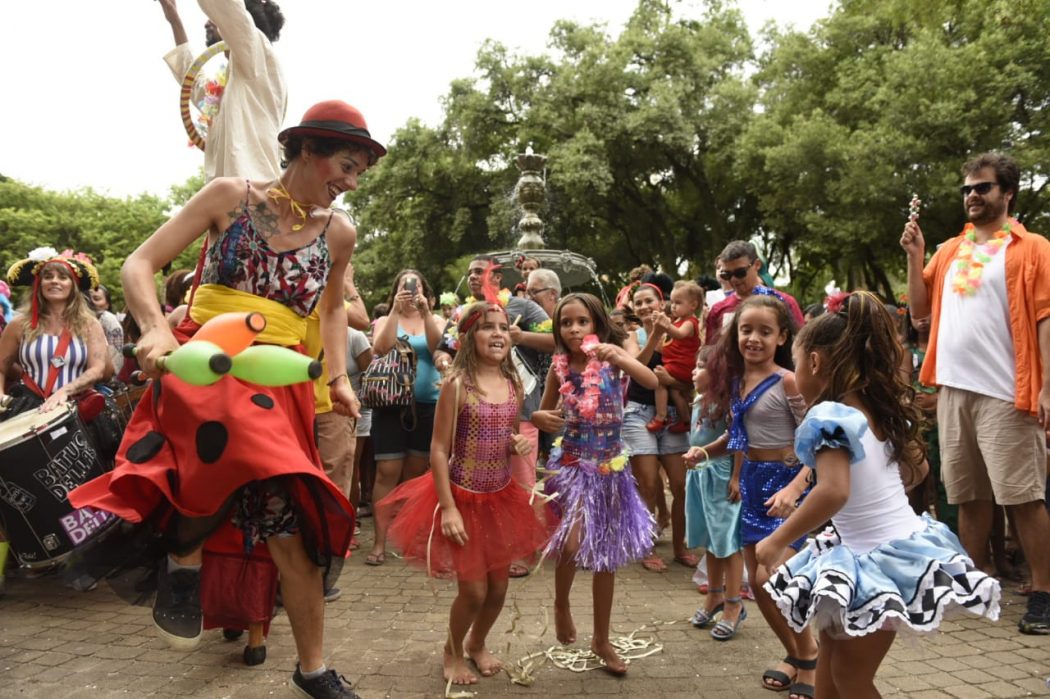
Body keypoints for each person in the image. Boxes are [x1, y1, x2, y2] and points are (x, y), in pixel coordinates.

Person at [69, 100, 385, 699]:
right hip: (206, 363)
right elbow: (140, 263)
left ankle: (312, 668)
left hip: (280, 382)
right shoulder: (230, 198)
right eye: (345, 165)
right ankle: (183, 555)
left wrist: (340, 377)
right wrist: (155, 328)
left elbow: (334, 308)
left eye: (357, 173)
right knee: (233, 451)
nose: (349, 183)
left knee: (290, 523)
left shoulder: (338, 231)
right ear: (307, 151)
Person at [759, 292, 1001, 697]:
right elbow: (916, 471)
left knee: (851, 677)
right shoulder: (875, 408)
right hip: (884, 552)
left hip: (875, 566)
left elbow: (834, 491)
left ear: (814, 362)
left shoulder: (829, 416)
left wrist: (778, 539)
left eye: (795, 363)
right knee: (832, 670)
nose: (795, 372)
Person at [901, 151, 1050, 635]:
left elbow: (1046, 319)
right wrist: (915, 256)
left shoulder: (1033, 249)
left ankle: (1044, 593)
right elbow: (919, 312)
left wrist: (1047, 386)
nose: (972, 195)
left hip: (1008, 392)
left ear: (1007, 193)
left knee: (1022, 497)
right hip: (953, 390)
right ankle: (972, 583)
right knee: (967, 495)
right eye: (967, 188)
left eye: (982, 187)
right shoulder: (950, 250)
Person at [378, 302, 551, 686]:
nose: (498, 334)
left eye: (504, 327)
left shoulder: (513, 384)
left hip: (500, 497)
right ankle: (451, 651)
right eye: (488, 327)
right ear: (470, 336)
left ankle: (477, 643)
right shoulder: (458, 385)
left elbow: (506, 433)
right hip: (461, 496)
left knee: (499, 587)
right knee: (472, 591)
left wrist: (515, 445)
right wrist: (449, 508)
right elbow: (439, 449)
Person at [688, 294, 818, 697]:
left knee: (777, 577)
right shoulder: (735, 381)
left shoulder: (788, 381)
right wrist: (706, 451)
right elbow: (739, 436)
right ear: (735, 335)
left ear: (782, 336)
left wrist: (796, 484)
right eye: (747, 330)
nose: (754, 338)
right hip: (752, 484)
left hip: (785, 485)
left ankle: (811, 658)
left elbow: (816, 439)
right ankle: (794, 654)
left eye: (765, 331)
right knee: (759, 587)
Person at [531, 293, 657, 675]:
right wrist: (539, 417)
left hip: (611, 469)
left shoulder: (612, 361)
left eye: (581, 321)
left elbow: (649, 379)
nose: (573, 329)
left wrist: (621, 357)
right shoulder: (560, 366)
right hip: (571, 464)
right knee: (572, 541)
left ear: (597, 325)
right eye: (565, 322)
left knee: (607, 557)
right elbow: (547, 411)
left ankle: (602, 639)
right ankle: (561, 604)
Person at [435, 255, 554, 576]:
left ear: (497, 277)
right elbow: (442, 348)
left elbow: (556, 340)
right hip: (468, 405)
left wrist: (520, 337)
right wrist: (446, 365)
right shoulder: (462, 313)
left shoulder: (523, 308)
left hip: (519, 407)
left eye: (480, 272)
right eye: (470, 273)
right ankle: (467, 547)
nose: (473, 277)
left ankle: (515, 550)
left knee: (520, 482)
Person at [159, 0, 287, 182]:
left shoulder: (258, 52)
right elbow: (192, 79)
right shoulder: (225, 86)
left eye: (214, 17)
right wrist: (174, 20)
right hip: (225, 199)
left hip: (254, 191)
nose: (207, 22)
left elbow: (226, 6)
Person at [366, 269, 443, 567]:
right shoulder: (386, 320)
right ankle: (380, 542)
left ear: (425, 291)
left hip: (427, 406)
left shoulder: (434, 320)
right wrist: (396, 311)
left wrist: (425, 312)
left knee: (415, 474)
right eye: (404, 285)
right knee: (386, 472)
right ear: (396, 290)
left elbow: (439, 348)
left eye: (417, 285)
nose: (411, 290)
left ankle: (411, 537)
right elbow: (380, 348)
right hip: (390, 405)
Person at [622, 282, 694, 572]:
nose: (643, 307)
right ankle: (645, 546)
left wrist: (674, 383)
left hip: (673, 415)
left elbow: (688, 377)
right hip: (639, 414)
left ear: (662, 302)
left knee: (680, 486)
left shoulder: (682, 334)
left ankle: (681, 547)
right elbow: (636, 366)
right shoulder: (632, 335)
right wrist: (655, 334)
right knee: (649, 483)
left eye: (648, 300)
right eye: (637, 303)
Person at [683, 346, 746, 640]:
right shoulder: (699, 399)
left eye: (700, 366)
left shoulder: (728, 403)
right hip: (700, 475)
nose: (693, 372)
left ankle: (734, 604)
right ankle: (715, 595)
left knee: (728, 542)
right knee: (711, 538)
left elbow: (738, 441)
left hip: (720, 475)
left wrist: (736, 477)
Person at [1, 249, 109, 415]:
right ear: (39, 283)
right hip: (30, 411)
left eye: (63, 277)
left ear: (73, 286)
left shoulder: (90, 324)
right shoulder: (19, 325)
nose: (54, 281)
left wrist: (65, 391)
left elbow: (97, 369)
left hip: (78, 408)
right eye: (48, 276)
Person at [705, 241, 804, 346]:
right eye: (727, 275)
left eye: (740, 273)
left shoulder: (785, 302)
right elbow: (711, 353)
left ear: (757, 265)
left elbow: (802, 345)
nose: (733, 280)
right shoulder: (718, 310)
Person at [648, 280, 703, 434]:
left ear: (692, 305)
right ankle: (686, 420)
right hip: (676, 365)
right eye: (672, 302)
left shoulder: (690, 322)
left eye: (678, 302)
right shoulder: (677, 321)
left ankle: (660, 416)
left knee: (658, 379)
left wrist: (665, 324)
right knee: (675, 392)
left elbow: (679, 335)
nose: (673, 306)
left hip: (682, 365)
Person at [89, 283, 124, 373]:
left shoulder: (108, 320)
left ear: (107, 304)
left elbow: (116, 357)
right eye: (88, 298)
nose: (91, 302)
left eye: (97, 299)